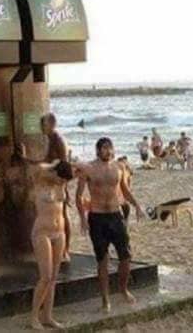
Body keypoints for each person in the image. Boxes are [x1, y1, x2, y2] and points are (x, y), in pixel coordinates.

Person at [74, 137, 146, 312]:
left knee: (126, 256)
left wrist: (137, 205)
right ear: (98, 150)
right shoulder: (88, 169)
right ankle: (105, 300)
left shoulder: (119, 167)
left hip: (115, 215)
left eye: (110, 148)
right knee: (102, 260)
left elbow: (125, 190)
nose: (108, 151)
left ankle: (123, 289)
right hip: (97, 217)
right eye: (104, 148)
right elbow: (78, 196)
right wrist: (82, 218)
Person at [27, 158, 77, 330]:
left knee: (53, 278)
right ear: (54, 173)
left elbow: (78, 169)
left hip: (59, 232)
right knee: (46, 277)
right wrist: (53, 164)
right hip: (42, 232)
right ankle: (34, 316)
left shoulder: (61, 183)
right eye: (61, 179)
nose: (63, 182)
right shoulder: (40, 181)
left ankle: (47, 316)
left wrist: (65, 168)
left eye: (65, 181)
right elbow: (37, 167)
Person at [19, 113, 72, 263]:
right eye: (41, 124)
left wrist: (63, 185)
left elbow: (63, 165)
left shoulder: (58, 140)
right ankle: (58, 248)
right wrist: (27, 159)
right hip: (53, 179)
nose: (41, 128)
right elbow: (47, 160)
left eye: (43, 124)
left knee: (63, 214)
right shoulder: (51, 139)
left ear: (51, 125)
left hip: (58, 180)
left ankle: (65, 250)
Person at [117, 156, 134, 221]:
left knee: (125, 205)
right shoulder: (118, 171)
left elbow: (129, 182)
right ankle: (123, 218)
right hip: (119, 191)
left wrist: (129, 190)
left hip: (124, 191)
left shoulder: (128, 172)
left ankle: (125, 218)